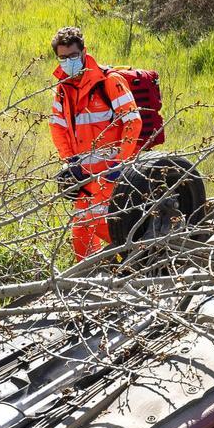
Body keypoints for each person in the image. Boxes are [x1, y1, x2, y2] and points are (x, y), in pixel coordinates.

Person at [48, 26, 142, 260]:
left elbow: (133, 122)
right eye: (62, 58)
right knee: (81, 233)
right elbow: (57, 127)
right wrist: (70, 162)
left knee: (107, 227)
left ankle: (143, 262)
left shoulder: (109, 81)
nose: (68, 61)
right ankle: (93, 280)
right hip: (85, 174)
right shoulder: (63, 89)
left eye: (72, 56)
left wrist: (120, 164)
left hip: (113, 173)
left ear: (83, 51)